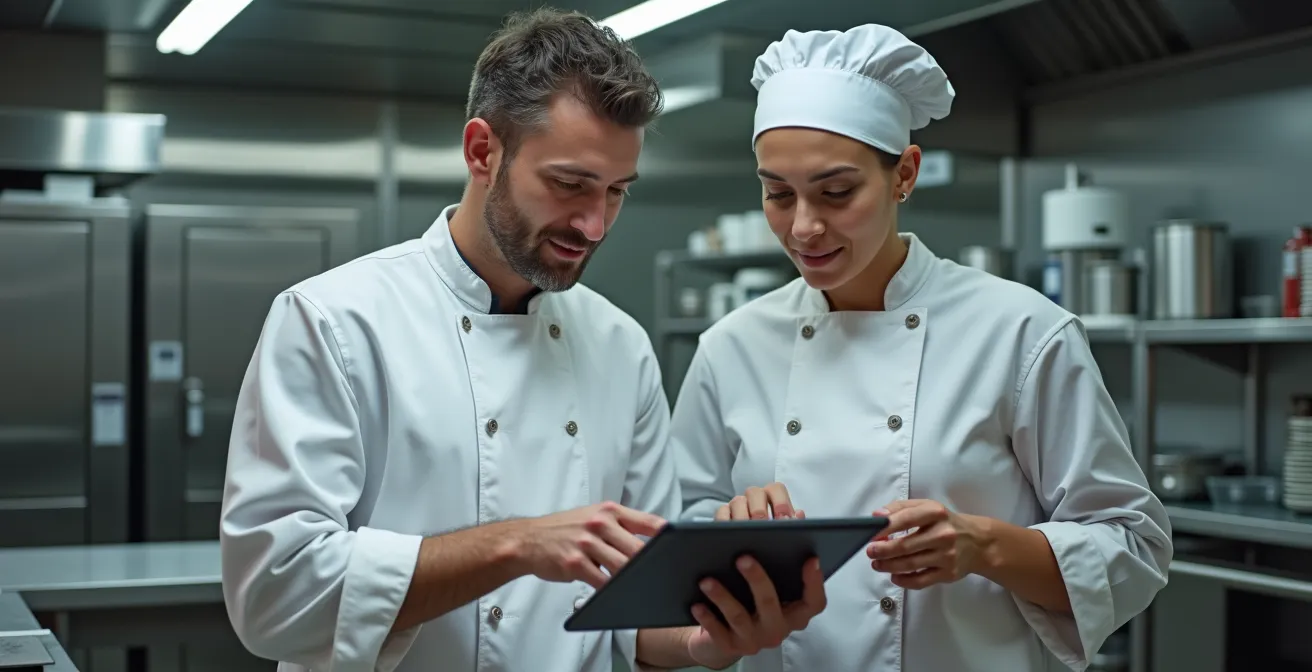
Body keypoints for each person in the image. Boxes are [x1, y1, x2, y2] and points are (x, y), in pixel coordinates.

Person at [219, 9, 826, 672]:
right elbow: (275, 597)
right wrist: (515, 544)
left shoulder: (619, 346)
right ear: (483, 152)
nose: (595, 225)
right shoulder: (336, 322)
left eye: (617, 192)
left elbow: (637, 608)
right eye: (569, 185)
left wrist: (705, 642)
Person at [669, 23, 1174, 672]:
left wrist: (984, 546)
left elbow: (1132, 545)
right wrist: (726, 527)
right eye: (777, 193)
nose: (803, 227)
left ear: (904, 175)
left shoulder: (1019, 331)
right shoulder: (731, 346)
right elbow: (678, 531)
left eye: (837, 192)